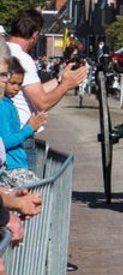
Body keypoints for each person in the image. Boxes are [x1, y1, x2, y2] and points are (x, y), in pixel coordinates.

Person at [6, 9, 88, 162]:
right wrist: (66, 86)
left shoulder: (4, 51)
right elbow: (41, 102)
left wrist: (60, 79)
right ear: (35, 35)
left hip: (6, 136)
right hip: (19, 138)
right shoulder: (23, 58)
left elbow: (33, 92)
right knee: (23, 177)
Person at [0, 54, 46, 186]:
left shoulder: (7, 103)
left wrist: (30, 126)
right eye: (13, 83)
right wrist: (29, 129)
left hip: (15, 165)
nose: (16, 88)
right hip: (11, 168)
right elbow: (5, 142)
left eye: (20, 84)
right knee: (39, 193)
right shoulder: (3, 106)